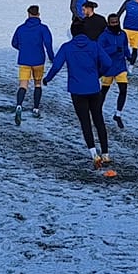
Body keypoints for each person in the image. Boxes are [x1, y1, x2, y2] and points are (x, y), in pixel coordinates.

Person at [42, 25, 110, 167]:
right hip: (94, 88)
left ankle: (94, 154)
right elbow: (108, 63)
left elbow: (56, 66)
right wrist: (98, 74)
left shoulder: (67, 47)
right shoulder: (94, 45)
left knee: (85, 122)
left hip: (77, 90)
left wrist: (47, 79)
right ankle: (105, 153)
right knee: (98, 119)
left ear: (72, 33)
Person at [11, 4, 57, 123]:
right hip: (38, 60)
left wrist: (23, 49)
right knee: (37, 84)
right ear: (38, 14)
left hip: (24, 60)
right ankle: (36, 108)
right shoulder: (43, 28)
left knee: (23, 85)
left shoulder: (21, 28)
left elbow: (14, 43)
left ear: (28, 14)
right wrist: (52, 58)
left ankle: (19, 105)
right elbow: (48, 44)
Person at [100, 14, 133, 126]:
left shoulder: (123, 34)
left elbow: (125, 47)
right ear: (108, 23)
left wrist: (129, 56)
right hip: (108, 68)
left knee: (123, 90)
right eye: (113, 22)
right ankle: (97, 111)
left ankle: (118, 114)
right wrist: (114, 49)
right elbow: (100, 51)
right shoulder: (103, 36)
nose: (115, 24)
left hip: (120, 67)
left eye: (117, 22)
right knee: (104, 91)